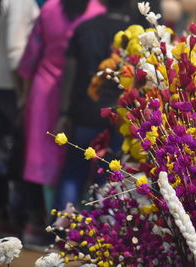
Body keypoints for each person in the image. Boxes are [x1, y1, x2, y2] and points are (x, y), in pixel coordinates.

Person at [54, 0, 160, 209]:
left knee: (73, 173)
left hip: (86, 110)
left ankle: (61, 227)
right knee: (110, 175)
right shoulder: (138, 34)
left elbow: (70, 74)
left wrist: (64, 112)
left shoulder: (85, 27)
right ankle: (98, 229)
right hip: (122, 114)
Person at [17, 0, 105, 245]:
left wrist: (23, 94)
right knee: (72, 164)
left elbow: (31, 53)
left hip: (43, 91)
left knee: (40, 160)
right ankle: (69, 230)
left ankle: (36, 223)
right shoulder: (97, 11)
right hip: (79, 94)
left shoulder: (49, 8)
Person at [0, 0, 39, 238]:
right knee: (18, 151)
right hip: (11, 87)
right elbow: (14, 51)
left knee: (1, 151)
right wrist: (23, 95)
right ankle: (25, 217)